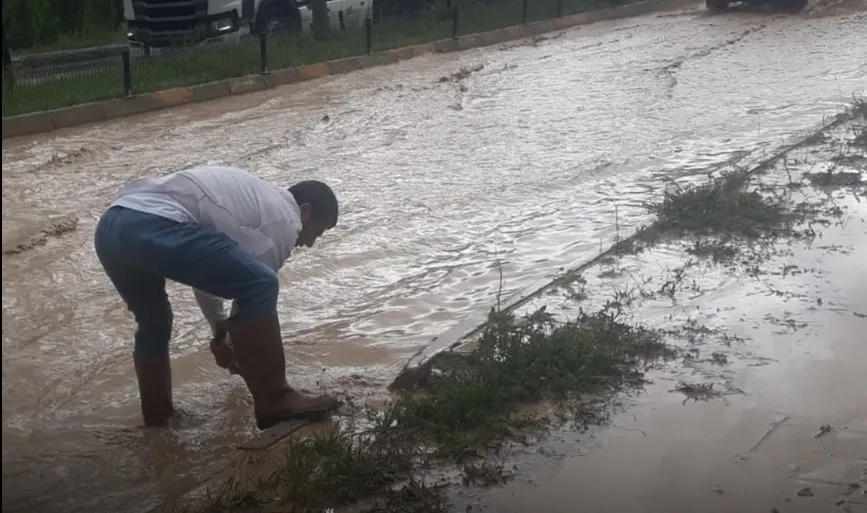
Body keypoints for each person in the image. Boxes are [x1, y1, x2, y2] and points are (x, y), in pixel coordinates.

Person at [93, 166, 342, 429]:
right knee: (263, 284)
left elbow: (210, 272)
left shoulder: (259, 200)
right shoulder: (285, 219)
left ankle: (159, 419)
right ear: (305, 211)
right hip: (153, 222)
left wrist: (220, 331)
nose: (310, 243)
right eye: (317, 232)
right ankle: (275, 399)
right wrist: (228, 344)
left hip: (112, 227)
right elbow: (252, 295)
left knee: (154, 322)